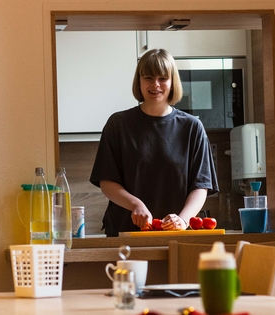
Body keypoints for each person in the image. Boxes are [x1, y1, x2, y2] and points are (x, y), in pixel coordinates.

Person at [90, 48, 219, 237]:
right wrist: (136, 204)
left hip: (176, 236)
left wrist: (182, 220)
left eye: (162, 78)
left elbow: (201, 186)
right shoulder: (118, 124)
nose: (155, 85)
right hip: (125, 234)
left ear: (173, 82)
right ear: (139, 82)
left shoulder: (192, 127)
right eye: (148, 77)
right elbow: (107, 182)